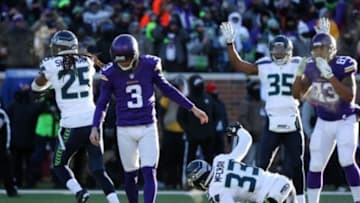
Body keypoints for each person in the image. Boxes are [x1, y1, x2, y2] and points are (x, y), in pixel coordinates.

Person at [90, 34, 208, 203]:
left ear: (135, 55)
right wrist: (95, 126)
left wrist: (192, 108)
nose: (122, 64)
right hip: (124, 128)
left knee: (149, 171)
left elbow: (167, 89)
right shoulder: (111, 73)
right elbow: (102, 103)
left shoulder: (148, 65)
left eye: (125, 60)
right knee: (130, 175)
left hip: (147, 126)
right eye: (119, 61)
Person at [220, 22, 305, 202]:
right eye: (276, 50)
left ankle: (301, 199)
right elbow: (240, 65)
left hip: (291, 118)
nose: (279, 53)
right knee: (261, 164)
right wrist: (230, 44)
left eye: (282, 50)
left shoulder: (298, 63)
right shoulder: (265, 65)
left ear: (289, 51)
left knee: (297, 164)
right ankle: (259, 196)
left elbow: (317, 66)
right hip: (272, 119)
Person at [31, 30, 120, 203]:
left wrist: (47, 88)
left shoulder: (50, 64)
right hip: (93, 122)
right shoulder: (87, 61)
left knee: (59, 164)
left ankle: (79, 191)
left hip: (71, 125)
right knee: (98, 170)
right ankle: (115, 201)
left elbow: (37, 87)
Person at [292, 31, 360, 203]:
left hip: (346, 119)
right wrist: (299, 75)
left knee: (346, 159)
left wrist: (330, 76)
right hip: (324, 121)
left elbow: (348, 96)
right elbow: (298, 96)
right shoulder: (311, 66)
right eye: (316, 49)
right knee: (315, 164)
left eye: (322, 49)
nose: (319, 53)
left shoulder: (343, 64)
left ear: (332, 49)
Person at [186, 122, 297, 203]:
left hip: (270, 198)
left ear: (199, 182)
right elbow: (247, 139)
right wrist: (238, 130)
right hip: (283, 183)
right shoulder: (220, 160)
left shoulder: (216, 191)